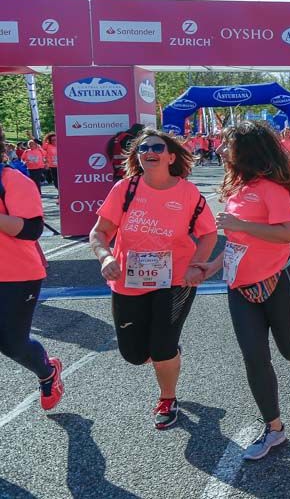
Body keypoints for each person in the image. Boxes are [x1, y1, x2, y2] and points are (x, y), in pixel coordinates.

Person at [191, 121, 290, 461]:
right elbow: (236, 242)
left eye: (228, 145)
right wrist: (210, 268)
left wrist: (240, 224)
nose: (222, 150)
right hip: (238, 285)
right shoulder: (236, 187)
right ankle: (274, 429)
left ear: (247, 150)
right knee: (254, 357)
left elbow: (288, 234)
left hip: (279, 278)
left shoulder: (272, 188)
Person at [89, 129, 217, 429]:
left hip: (175, 280)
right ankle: (168, 355)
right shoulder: (125, 189)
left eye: (157, 147)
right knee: (134, 355)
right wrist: (106, 257)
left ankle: (167, 397)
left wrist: (197, 264)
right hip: (129, 282)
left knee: (161, 347)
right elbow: (99, 232)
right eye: (143, 148)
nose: (150, 151)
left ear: (171, 156)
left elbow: (209, 234)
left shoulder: (188, 193)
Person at [0, 123, 65, 412]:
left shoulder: (13, 181)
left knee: (11, 343)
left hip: (16, 275)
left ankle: (47, 371)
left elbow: (31, 230)